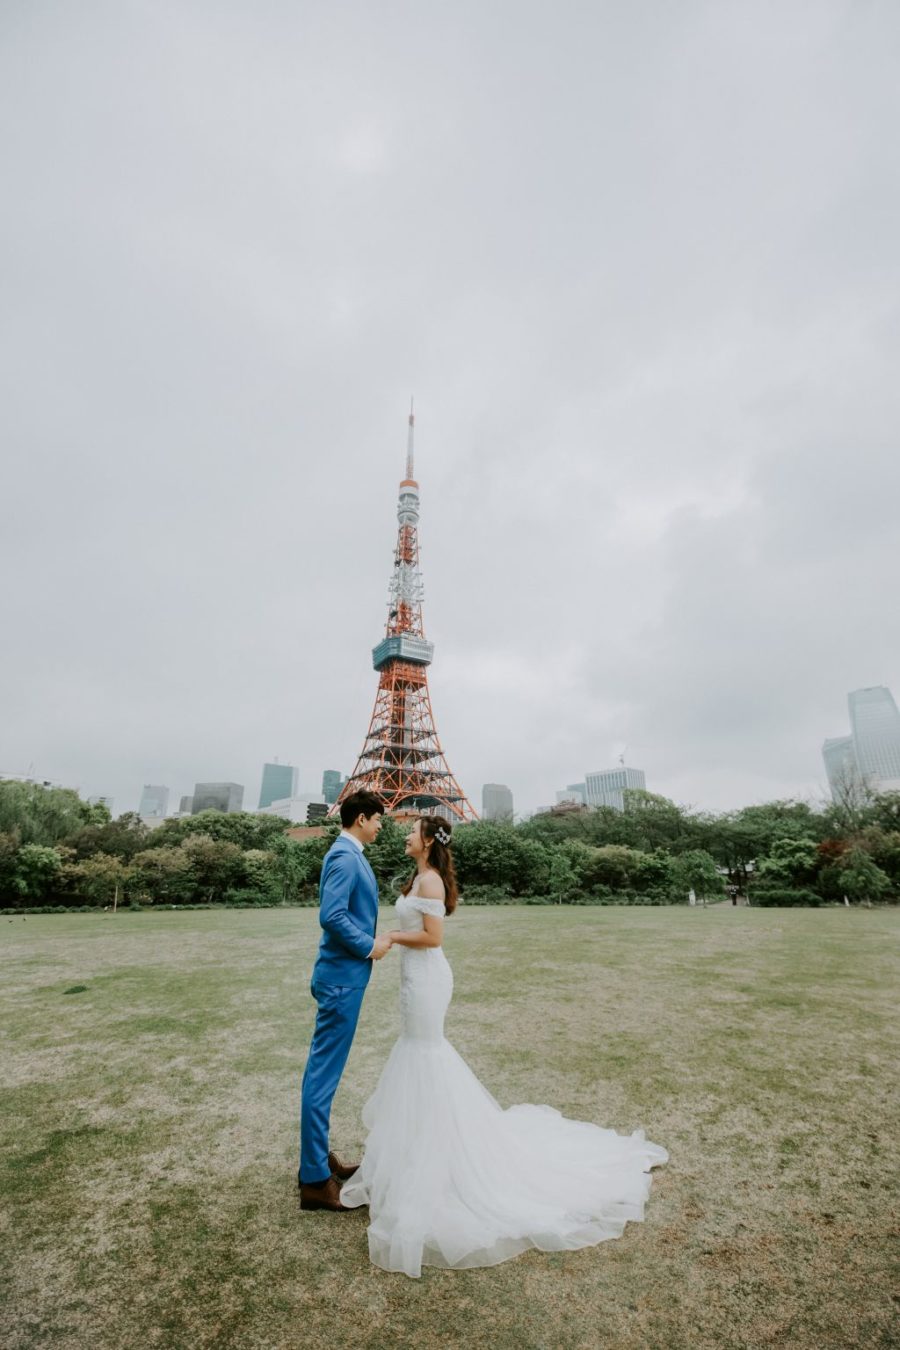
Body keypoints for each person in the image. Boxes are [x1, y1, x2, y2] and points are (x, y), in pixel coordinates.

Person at [340, 815, 668, 1278]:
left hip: (428, 979)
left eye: (413, 830)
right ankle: (423, 1150)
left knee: (425, 1055)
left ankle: (444, 1155)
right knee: (417, 1055)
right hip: (414, 980)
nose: (406, 835)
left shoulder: (430, 881)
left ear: (429, 840)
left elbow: (433, 938)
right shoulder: (418, 877)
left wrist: (391, 935)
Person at [297, 790, 391, 1211]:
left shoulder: (350, 853)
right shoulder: (344, 856)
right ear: (361, 819)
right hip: (340, 980)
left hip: (343, 978)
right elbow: (331, 916)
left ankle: (319, 1161)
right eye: (378, 820)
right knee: (322, 1077)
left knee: (325, 1075)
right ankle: (315, 1179)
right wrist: (369, 946)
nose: (381, 827)